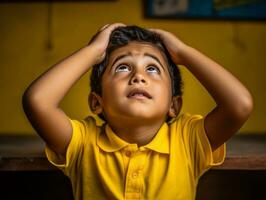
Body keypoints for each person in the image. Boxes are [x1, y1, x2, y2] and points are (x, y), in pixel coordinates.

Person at [22, 23, 253, 200]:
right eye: (123, 67)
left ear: (174, 106)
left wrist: (183, 52)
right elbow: (37, 101)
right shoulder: (83, 142)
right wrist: (93, 51)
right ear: (97, 102)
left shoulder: (187, 140)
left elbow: (239, 104)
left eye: (152, 68)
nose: (138, 76)